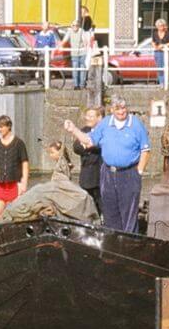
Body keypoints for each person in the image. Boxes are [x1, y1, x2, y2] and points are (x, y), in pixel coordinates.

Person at [64, 96, 151, 233]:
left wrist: (139, 171)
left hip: (129, 173)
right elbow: (88, 141)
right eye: (118, 108)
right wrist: (73, 130)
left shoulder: (136, 124)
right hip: (108, 173)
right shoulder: (105, 123)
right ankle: (114, 244)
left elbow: (145, 150)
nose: (122, 111)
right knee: (110, 213)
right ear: (112, 110)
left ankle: (129, 245)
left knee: (128, 215)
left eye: (123, 108)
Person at [0, 115, 29, 221]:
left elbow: (25, 164)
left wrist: (24, 184)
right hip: (0, 186)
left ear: (9, 126)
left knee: (15, 216)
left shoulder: (19, 143)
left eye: (1, 126)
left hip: (15, 185)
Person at [73, 106, 104, 214]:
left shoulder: (104, 131)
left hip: (100, 175)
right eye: (87, 116)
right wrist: (87, 145)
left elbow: (100, 145)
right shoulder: (83, 130)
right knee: (87, 206)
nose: (87, 118)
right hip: (86, 175)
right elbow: (76, 147)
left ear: (99, 118)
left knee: (102, 204)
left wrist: (86, 144)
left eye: (91, 116)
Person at [60, 19, 90, 90]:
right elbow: (65, 40)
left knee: (82, 70)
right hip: (74, 54)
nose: (75, 27)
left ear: (79, 26)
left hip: (82, 53)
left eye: (76, 25)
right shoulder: (69, 31)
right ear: (71, 26)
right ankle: (76, 85)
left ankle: (82, 85)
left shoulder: (81, 31)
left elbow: (85, 41)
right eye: (73, 25)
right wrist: (60, 46)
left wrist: (86, 48)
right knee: (75, 69)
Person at [152, 19, 169, 87]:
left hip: (165, 52)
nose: (161, 27)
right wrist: (156, 47)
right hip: (157, 52)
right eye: (159, 26)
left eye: (162, 26)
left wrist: (163, 45)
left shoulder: (168, 33)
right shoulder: (155, 33)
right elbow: (153, 42)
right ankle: (161, 83)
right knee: (159, 68)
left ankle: (166, 82)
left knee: (165, 67)